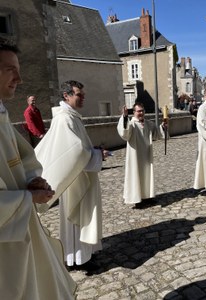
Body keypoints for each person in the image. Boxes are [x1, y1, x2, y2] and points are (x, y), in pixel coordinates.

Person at [0, 38, 76, 299]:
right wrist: (27, 197)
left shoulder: (1, 112)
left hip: (20, 224)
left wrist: (32, 179)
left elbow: (23, 157)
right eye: (10, 69)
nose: (19, 78)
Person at [35, 80, 109, 270]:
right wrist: (97, 154)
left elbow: (79, 148)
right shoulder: (64, 119)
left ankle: (85, 254)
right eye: (79, 94)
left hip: (82, 176)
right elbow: (73, 153)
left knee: (85, 216)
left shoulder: (72, 117)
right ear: (66, 96)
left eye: (83, 94)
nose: (82, 97)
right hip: (74, 180)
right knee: (76, 219)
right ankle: (76, 258)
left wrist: (93, 150)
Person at [117, 102, 167, 207]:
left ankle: (147, 197)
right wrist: (125, 117)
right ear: (134, 112)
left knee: (147, 175)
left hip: (147, 154)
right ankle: (138, 199)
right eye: (138, 111)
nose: (141, 113)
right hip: (135, 155)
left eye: (142, 111)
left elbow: (157, 134)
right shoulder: (131, 124)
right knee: (136, 175)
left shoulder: (148, 123)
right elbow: (124, 133)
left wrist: (163, 126)